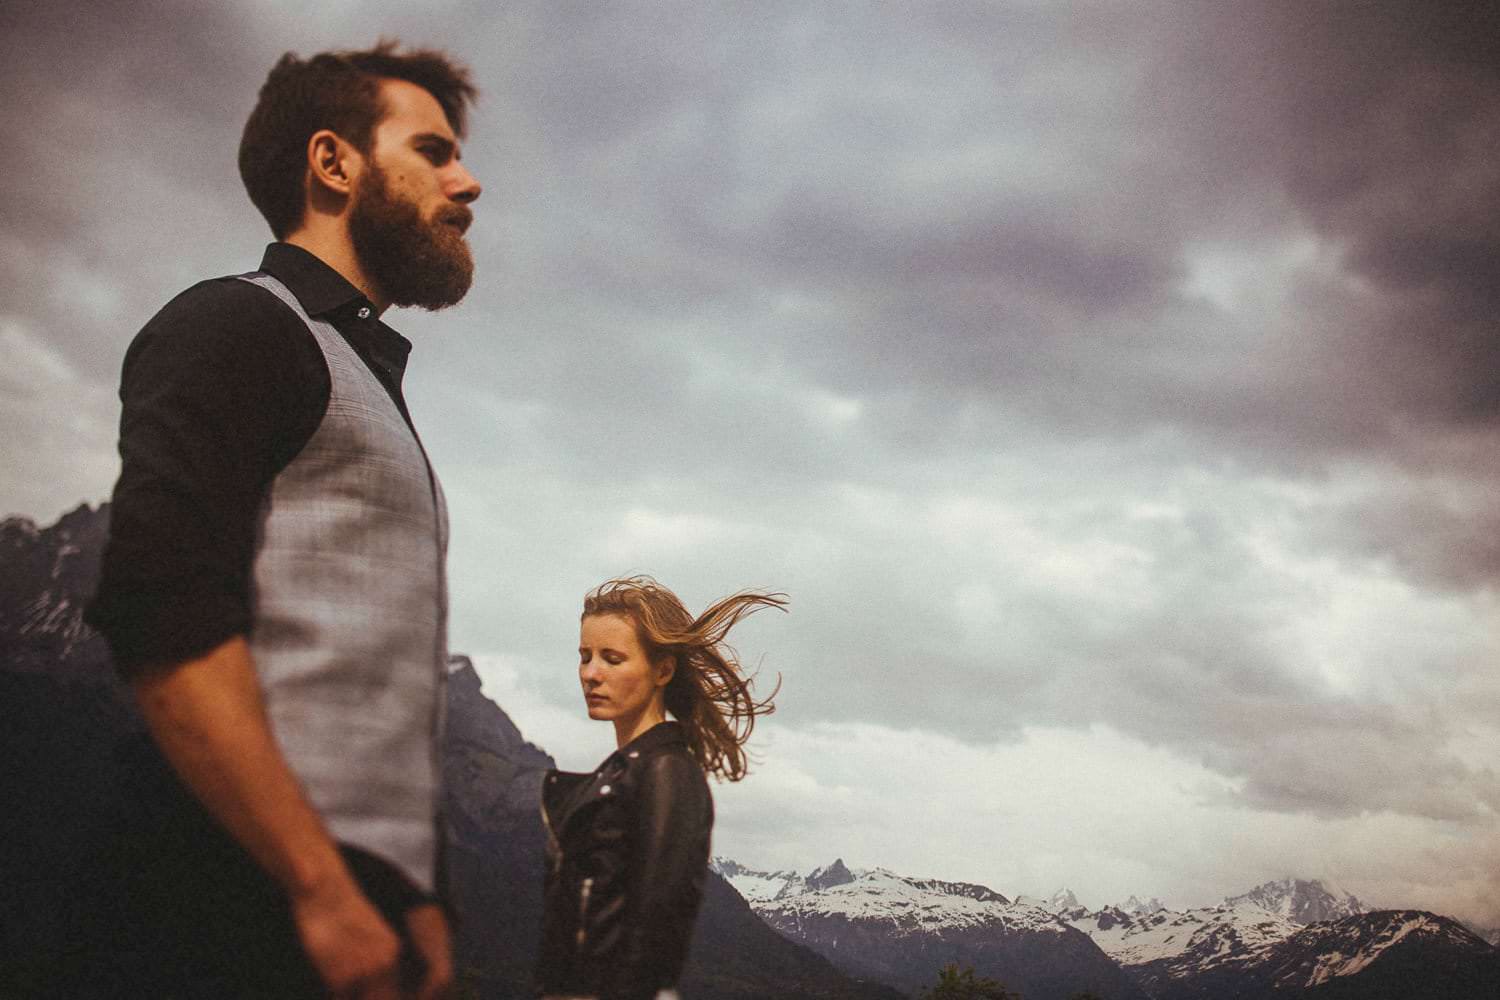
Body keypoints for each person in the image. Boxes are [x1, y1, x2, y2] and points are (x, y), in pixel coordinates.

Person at [84, 41, 482, 999]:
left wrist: (417, 899)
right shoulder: (239, 325)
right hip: (229, 902)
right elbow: (160, 614)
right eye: (433, 150)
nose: (468, 183)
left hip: (355, 909)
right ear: (333, 163)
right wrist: (317, 886)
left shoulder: (363, 377)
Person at [535, 576, 784, 1000]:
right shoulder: (623, 774)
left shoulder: (667, 772)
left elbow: (656, 927)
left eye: (612, 659)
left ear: (663, 670)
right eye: (585, 656)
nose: (591, 674)